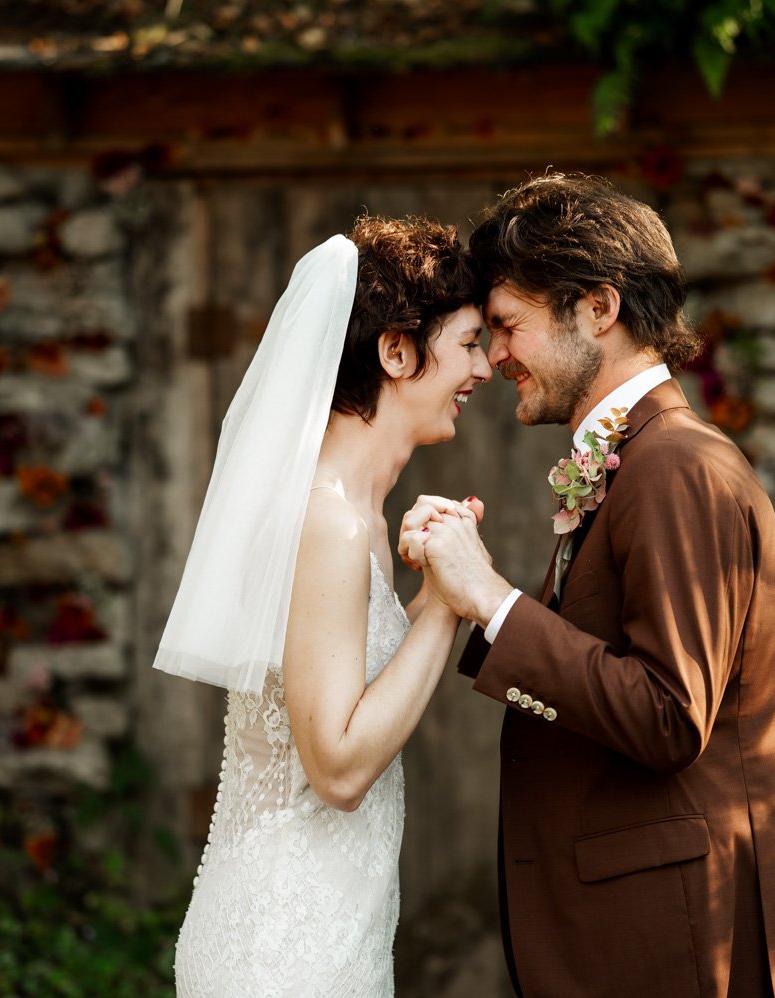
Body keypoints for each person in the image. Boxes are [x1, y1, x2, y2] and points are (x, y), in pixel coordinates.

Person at [400, 174, 775, 997]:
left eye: (507, 326)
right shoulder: (639, 460)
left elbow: (669, 717)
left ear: (598, 307)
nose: (494, 358)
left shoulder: (678, 467)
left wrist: (491, 599)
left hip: (684, 946)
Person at [158, 216, 491, 997]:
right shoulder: (329, 522)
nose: (485, 367)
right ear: (397, 350)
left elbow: (346, 687)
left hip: (326, 927)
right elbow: (339, 768)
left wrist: (428, 600)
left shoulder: (353, 517)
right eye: (469, 342)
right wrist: (445, 604)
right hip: (283, 950)